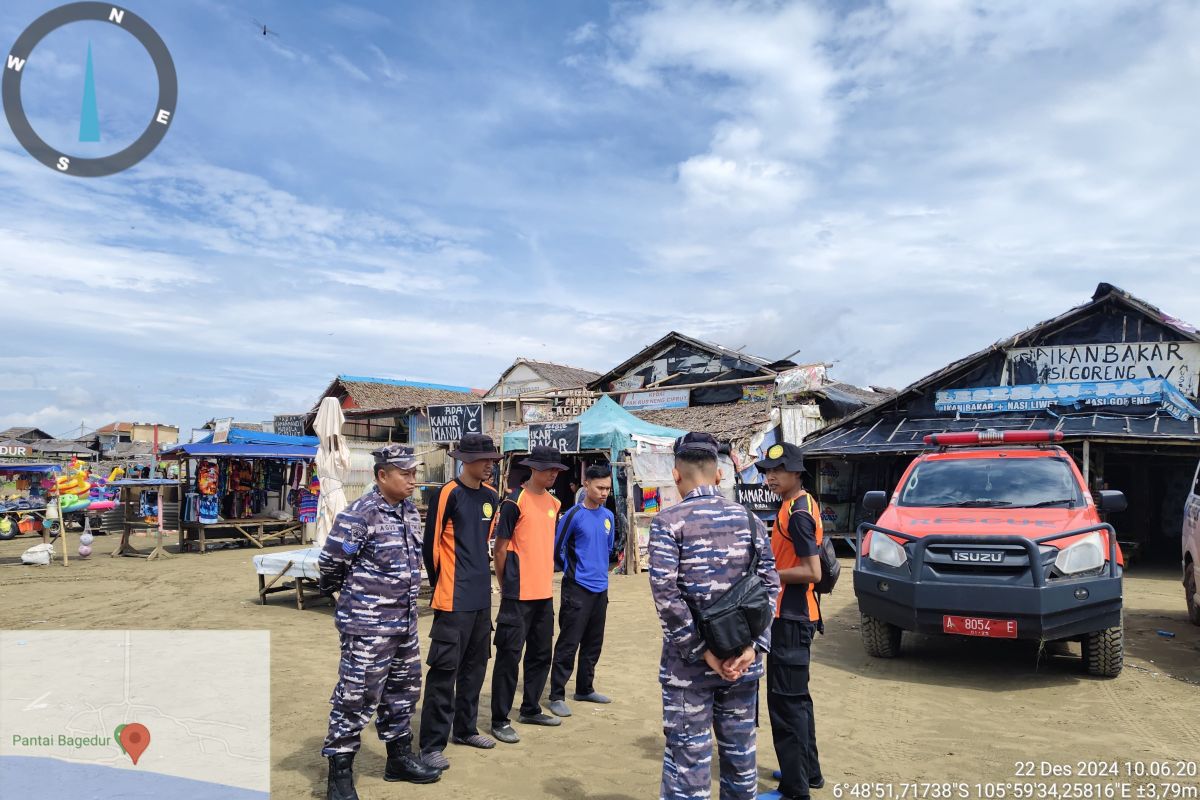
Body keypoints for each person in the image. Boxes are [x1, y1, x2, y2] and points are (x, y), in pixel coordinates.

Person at [649, 432, 780, 800]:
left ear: (676, 475)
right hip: (742, 664)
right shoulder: (751, 520)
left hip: (689, 671)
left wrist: (702, 651)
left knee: (688, 765)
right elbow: (771, 583)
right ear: (719, 474)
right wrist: (755, 646)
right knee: (740, 761)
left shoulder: (668, 522)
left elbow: (665, 594)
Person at [317, 444, 441, 800]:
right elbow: (330, 565)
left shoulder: (410, 513)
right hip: (367, 627)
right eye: (406, 473)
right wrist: (355, 603)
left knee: (402, 694)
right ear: (382, 474)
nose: (413, 480)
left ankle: (399, 759)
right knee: (356, 697)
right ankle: (339, 774)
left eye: (415, 473)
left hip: (403, 624)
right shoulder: (360, 514)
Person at [418, 433, 504, 770]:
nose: (489, 467)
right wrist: (443, 587)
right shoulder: (446, 493)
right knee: (443, 673)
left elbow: (482, 544)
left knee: (475, 667)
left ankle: (465, 729)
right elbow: (431, 546)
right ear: (465, 460)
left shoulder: (491, 496)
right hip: (452, 598)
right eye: (484, 461)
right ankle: (431, 744)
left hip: (481, 598)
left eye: (492, 462)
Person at [756, 442, 825, 799]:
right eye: (767, 470)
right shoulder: (798, 503)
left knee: (785, 703)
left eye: (779, 470)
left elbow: (811, 571)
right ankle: (807, 771)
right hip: (797, 616)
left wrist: (766, 574)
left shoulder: (797, 512)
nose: (771, 476)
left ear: (796, 472)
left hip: (792, 618)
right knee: (798, 700)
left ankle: (794, 790)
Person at [489, 444, 568, 743]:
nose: (552, 474)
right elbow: (500, 548)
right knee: (509, 657)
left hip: (543, 593)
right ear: (533, 468)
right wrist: (506, 584)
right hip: (517, 594)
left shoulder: (554, 503)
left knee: (540, 654)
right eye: (548, 469)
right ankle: (499, 718)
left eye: (556, 470)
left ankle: (531, 707)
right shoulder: (513, 502)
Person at [547, 463, 615, 718]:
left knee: (593, 643)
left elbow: (608, 549)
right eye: (600, 487)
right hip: (577, 588)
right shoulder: (573, 515)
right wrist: (572, 570)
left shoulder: (608, 516)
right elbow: (557, 548)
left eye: (608, 488)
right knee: (568, 642)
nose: (604, 492)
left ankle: (585, 688)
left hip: (601, 590)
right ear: (586, 485)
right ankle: (556, 694)